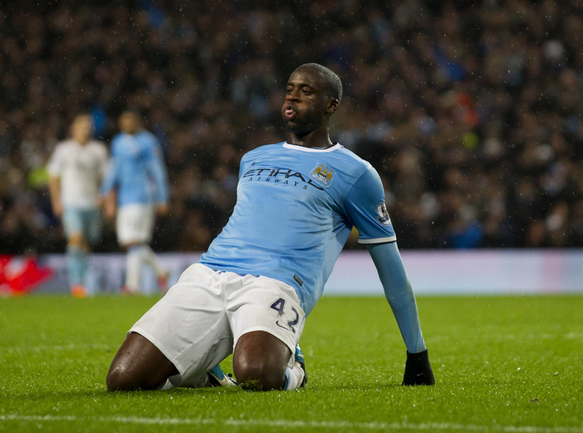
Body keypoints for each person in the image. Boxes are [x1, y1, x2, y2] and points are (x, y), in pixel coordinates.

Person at [106, 63, 435, 392]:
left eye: (306, 91)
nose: (293, 96)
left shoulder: (356, 173)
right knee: (124, 379)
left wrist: (417, 354)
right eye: (290, 89)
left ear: (331, 105)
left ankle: (295, 368)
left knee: (256, 375)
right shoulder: (253, 158)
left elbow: (390, 266)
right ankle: (206, 373)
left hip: (277, 285)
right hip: (209, 275)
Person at [100, 111, 171, 294]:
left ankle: (133, 285)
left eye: (131, 120)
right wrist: (105, 191)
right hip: (124, 198)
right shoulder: (118, 142)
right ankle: (161, 270)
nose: (127, 124)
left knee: (132, 241)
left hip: (143, 196)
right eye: (124, 121)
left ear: (138, 122)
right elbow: (114, 169)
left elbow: (157, 171)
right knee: (130, 241)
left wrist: (162, 197)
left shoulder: (148, 142)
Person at [47, 114, 108, 298]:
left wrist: (104, 198)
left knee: (86, 243)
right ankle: (77, 285)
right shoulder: (63, 149)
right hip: (71, 203)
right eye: (82, 126)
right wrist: (57, 200)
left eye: (88, 127)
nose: (86, 130)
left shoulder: (98, 150)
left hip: (92, 204)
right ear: (73, 128)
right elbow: (53, 176)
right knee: (76, 238)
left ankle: (83, 281)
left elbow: (105, 177)